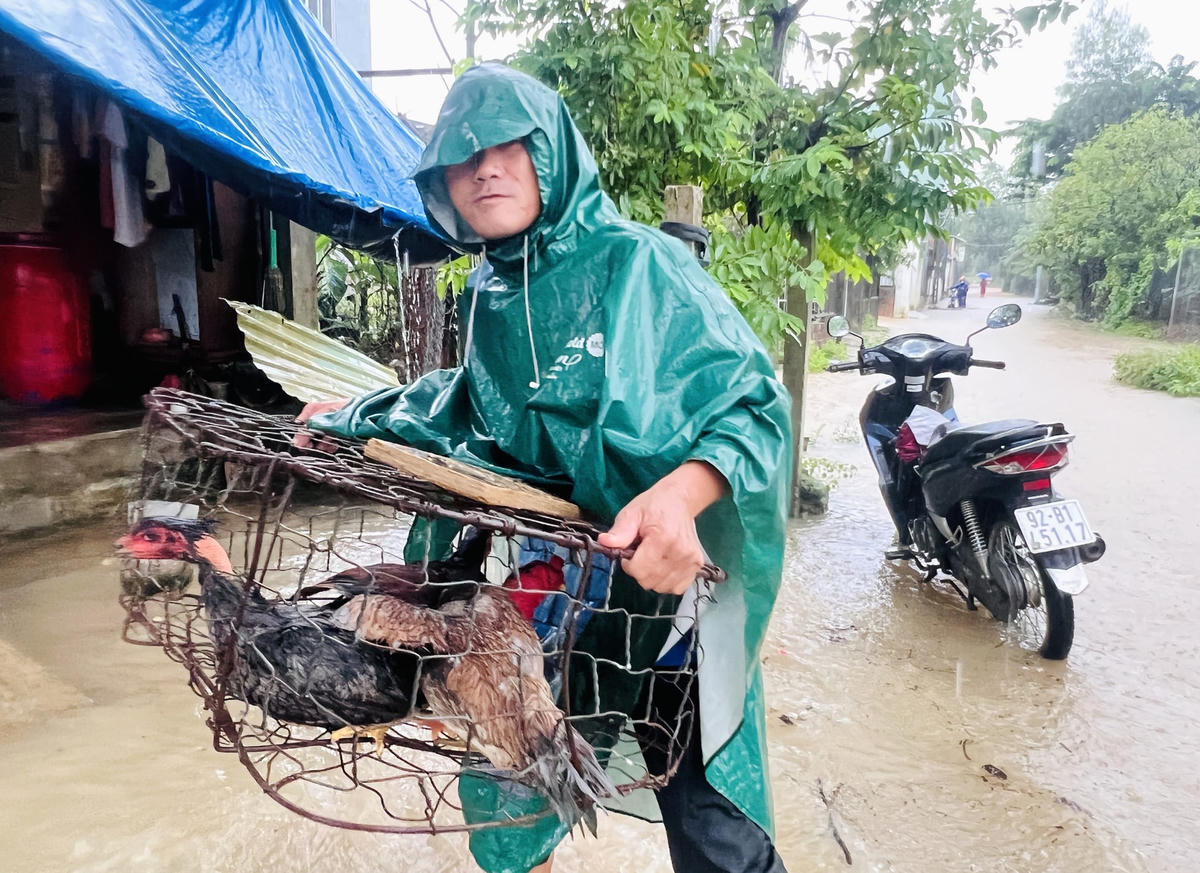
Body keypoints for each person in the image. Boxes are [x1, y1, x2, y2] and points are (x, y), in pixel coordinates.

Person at [298, 63, 791, 873]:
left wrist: (678, 494)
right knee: (511, 785)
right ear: (442, 181)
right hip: (563, 595)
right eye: (463, 154)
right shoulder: (490, 293)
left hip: (667, 598)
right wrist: (353, 415)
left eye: (510, 145)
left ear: (551, 154)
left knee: (713, 827)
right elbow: (467, 405)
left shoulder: (642, 266)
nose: (487, 166)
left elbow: (755, 405)